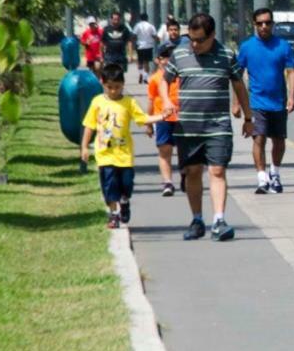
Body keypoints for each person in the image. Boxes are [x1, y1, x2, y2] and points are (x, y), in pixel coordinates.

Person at [158, 13, 252, 242]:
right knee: (192, 172)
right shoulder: (180, 54)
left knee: (217, 171)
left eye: (200, 40)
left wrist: (248, 117)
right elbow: (164, 80)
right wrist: (167, 101)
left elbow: (239, 85)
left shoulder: (226, 55)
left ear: (212, 36)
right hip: (187, 127)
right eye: (191, 38)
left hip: (217, 126)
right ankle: (197, 219)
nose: (195, 44)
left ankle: (219, 220)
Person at [81, 63, 168, 229]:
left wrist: (160, 117)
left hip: (124, 154)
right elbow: (89, 125)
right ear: (102, 83)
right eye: (110, 87)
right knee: (109, 185)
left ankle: (125, 200)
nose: (113, 91)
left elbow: (142, 118)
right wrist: (84, 147)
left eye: (117, 87)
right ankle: (113, 214)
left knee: (126, 184)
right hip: (105, 154)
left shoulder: (128, 102)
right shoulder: (97, 102)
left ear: (123, 85)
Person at [235, 7, 294, 194]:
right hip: (256, 102)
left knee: (279, 141)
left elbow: (291, 71)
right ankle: (262, 178)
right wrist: (236, 102)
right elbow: (237, 76)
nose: (264, 26)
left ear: (272, 24)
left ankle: (275, 173)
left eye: (267, 23)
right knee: (259, 138)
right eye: (260, 23)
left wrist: (292, 97)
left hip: (278, 101)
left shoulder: (283, 46)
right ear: (254, 25)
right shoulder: (247, 47)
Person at [147, 42, 180, 196]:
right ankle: (168, 182)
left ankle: (186, 175)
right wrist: (149, 122)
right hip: (163, 119)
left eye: (171, 57)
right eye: (164, 57)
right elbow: (151, 101)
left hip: (181, 118)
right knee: (164, 150)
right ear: (157, 60)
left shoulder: (182, 76)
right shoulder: (155, 79)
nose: (167, 61)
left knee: (184, 151)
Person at [101, 11, 134, 75]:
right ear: (111, 19)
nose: (116, 21)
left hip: (121, 55)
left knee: (120, 75)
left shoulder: (124, 29)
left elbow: (129, 42)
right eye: (114, 19)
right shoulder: (106, 29)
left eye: (118, 19)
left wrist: (130, 55)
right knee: (110, 74)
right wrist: (101, 56)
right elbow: (102, 43)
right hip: (109, 56)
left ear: (120, 19)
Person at [133, 12, 159, 83]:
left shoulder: (137, 26)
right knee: (146, 62)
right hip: (148, 46)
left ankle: (141, 73)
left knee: (139, 62)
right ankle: (145, 77)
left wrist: (134, 43)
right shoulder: (150, 26)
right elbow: (154, 36)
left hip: (140, 46)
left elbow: (134, 35)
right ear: (147, 18)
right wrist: (158, 40)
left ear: (140, 18)